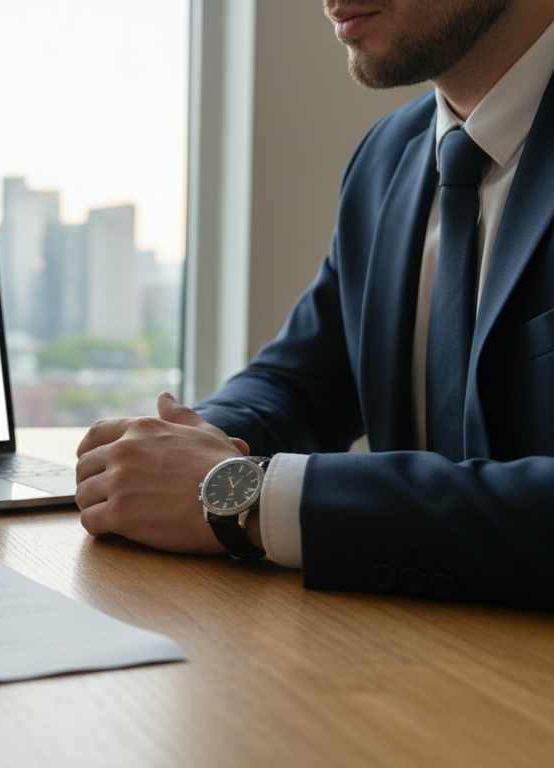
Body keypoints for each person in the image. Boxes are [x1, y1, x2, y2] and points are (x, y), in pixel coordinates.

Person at [76, 0, 554, 611]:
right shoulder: (390, 158)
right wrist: (181, 448)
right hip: (411, 666)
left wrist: (252, 497)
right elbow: (301, 380)